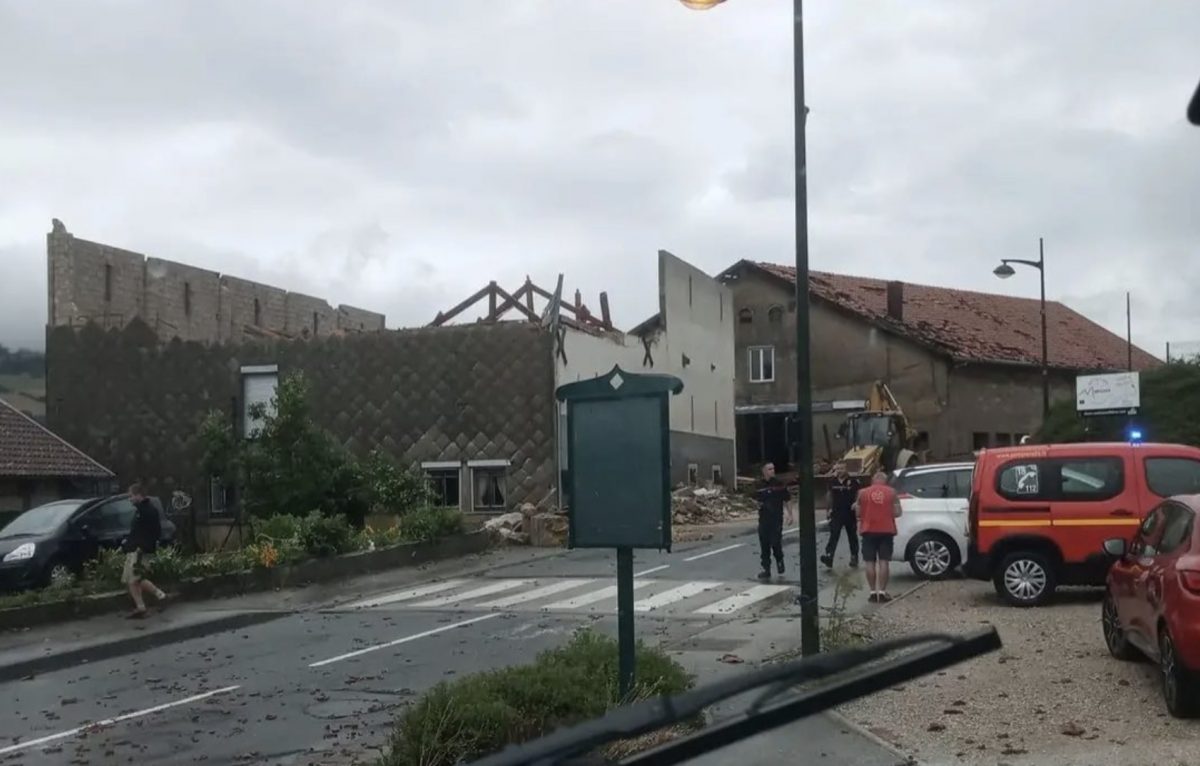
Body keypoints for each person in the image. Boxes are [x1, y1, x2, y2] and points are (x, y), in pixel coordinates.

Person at [854, 471, 902, 603]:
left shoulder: (862, 493)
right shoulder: (892, 492)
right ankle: (882, 592)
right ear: (885, 481)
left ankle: (872, 592)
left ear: (872, 480)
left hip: (868, 530)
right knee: (883, 561)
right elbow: (898, 513)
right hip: (886, 530)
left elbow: (858, 513)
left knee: (869, 562)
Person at [123, 483, 167, 618]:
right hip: (135, 549)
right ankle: (141, 606)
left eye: (131, 496)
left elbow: (152, 532)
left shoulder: (146, 511)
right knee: (131, 579)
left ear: (138, 495)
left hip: (140, 550)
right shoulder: (141, 510)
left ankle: (160, 595)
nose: (129, 499)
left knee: (136, 578)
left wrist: (141, 547)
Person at [755, 462, 791, 581]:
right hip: (764, 519)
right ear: (764, 471)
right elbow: (756, 499)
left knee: (775, 542)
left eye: (773, 469)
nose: (772, 471)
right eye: (770, 469)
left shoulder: (779, 484)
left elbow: (787, 499)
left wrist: (789, 514)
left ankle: (779, 559)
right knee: (764, 544)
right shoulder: (759, 485)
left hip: (776, 518)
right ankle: (766, 569)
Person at [820, 461, 860, 569]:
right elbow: (829, 496)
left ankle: (854, 556)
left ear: (846, 469)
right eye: (838, 469)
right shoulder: (832, 481)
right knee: (834, 535)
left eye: (842, 469)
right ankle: (829, 556)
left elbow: (858, 494)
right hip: (836, 513)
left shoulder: (853, 481)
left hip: (849, 513)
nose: (839, 471)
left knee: (852, 536)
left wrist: (857, 503)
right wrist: (828, 510)